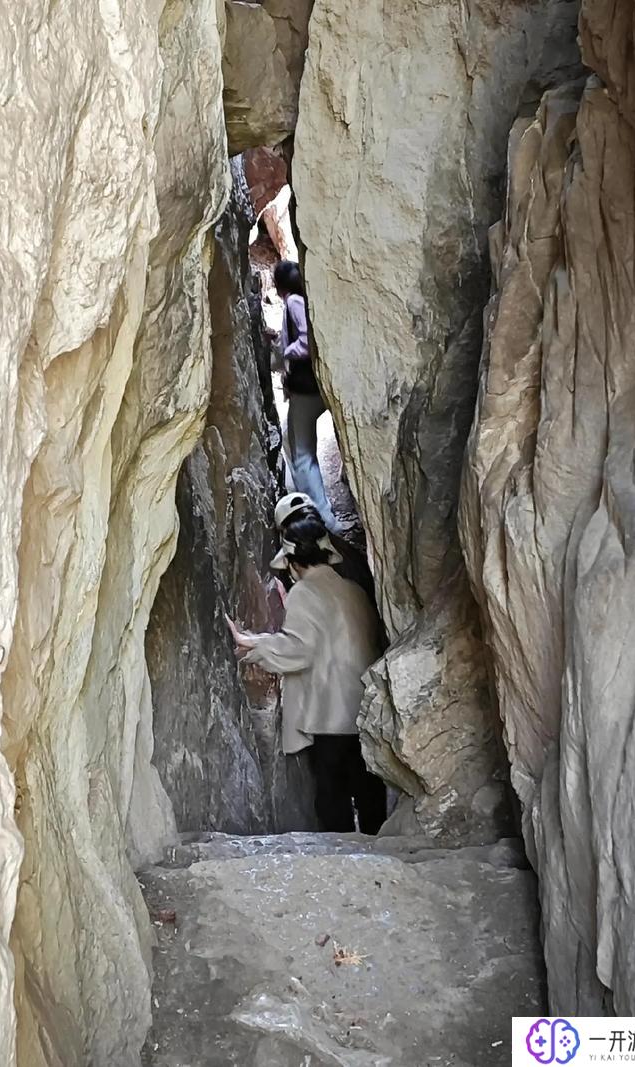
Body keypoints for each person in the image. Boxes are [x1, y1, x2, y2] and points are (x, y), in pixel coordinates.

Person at [225, 502, 386, 834]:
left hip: (331, 719)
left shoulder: (303, 593)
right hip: (366, 713)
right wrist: (260, 641)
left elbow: (299, 650)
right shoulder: (353, 590)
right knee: (371, 801)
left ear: (294, 562)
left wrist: (252, 647)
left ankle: (338, 871)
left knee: (333, 803)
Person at [271, 260, 341, 534]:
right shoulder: (306, 299)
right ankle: (307, 502)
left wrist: (285, 351)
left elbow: (306, 339)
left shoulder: (293, 302)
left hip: (306, 388)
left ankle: (323, 519)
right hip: (316, 385)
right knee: (291, 437)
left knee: (302, 454)